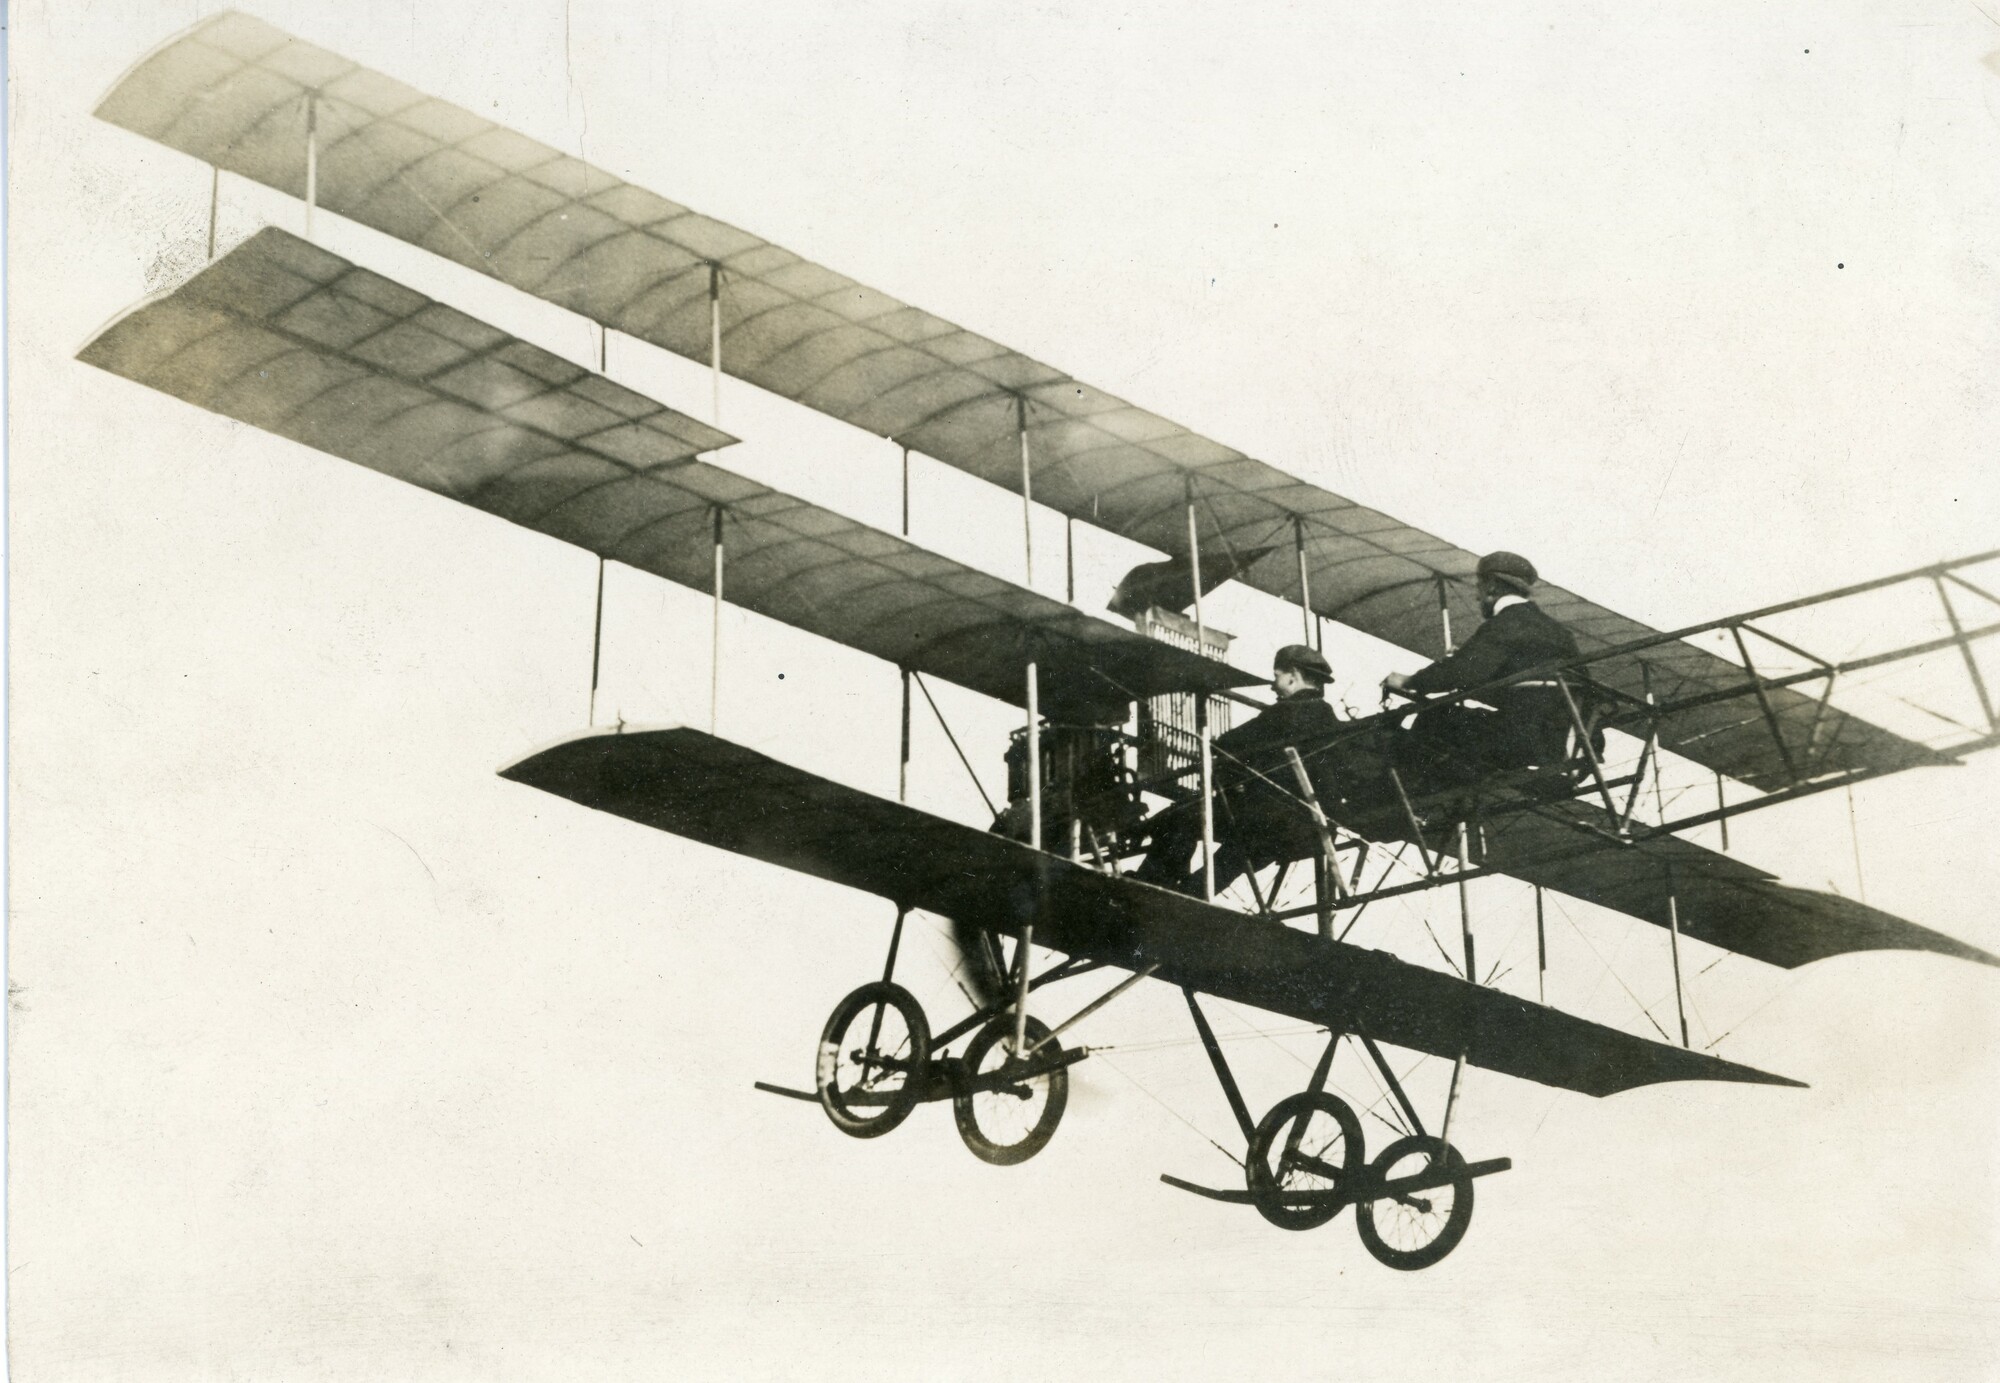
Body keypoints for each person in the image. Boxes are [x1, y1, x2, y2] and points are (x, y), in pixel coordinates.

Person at [1134, 643, 1341, 895]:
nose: (1273, 685)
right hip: (1308, 826)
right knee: (1233, 858)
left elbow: (1225, 745)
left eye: (1276, 677)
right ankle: (1189, 894)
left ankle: (1151, 885)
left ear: (1292, 676)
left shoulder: (1285, 712)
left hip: (1267, 818)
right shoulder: (1329, 720)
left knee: (1177, 817)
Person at [1381, 550, 1581, 789]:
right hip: (1556, 743)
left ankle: (1407, 799)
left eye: (1478, 587)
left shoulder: (1506, 623)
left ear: (1491, 586)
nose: (1476, 597)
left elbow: (1462, 672)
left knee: (1433, 718)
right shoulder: (1560, 634)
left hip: (1516, 740)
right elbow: (1531, 686)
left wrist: (1409, 681)